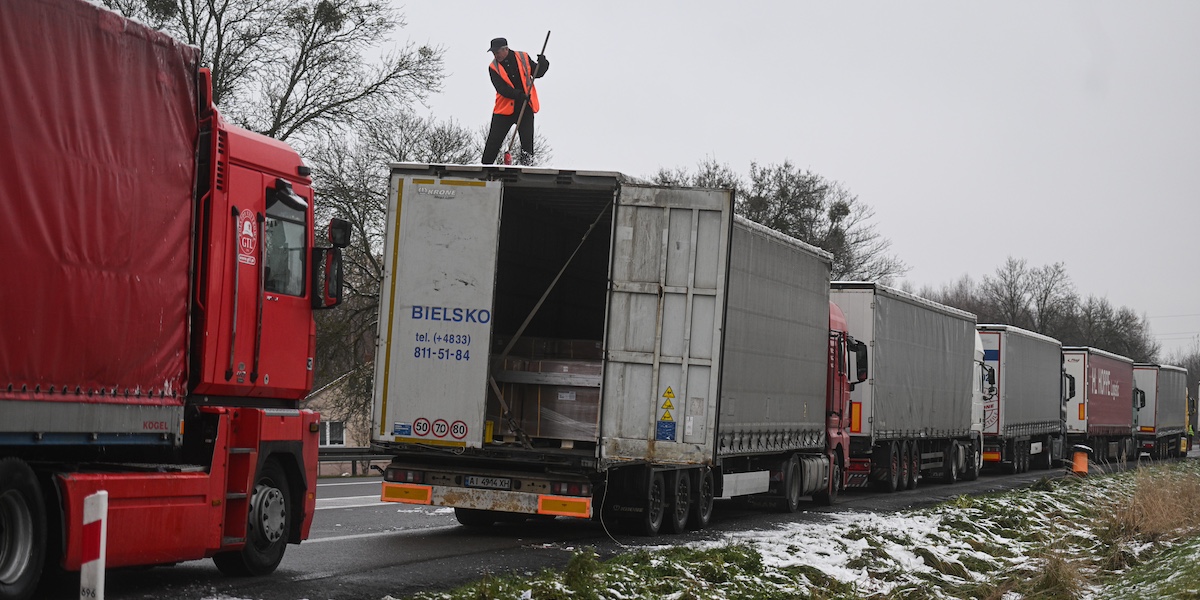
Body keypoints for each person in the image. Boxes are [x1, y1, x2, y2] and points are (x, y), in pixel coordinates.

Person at [482, 37, 548, 165]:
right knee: (493, 142)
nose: (496, 55)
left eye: (497, 52)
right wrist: (519, 95)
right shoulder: (493, 67)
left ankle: (527, 167)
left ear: (506, 49)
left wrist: (543, 63)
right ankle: (485, 167)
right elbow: (502, 89)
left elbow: (537, 73)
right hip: (504, 110)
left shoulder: (523, 57)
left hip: (525, 106)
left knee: (527, 144)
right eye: (493, 53)